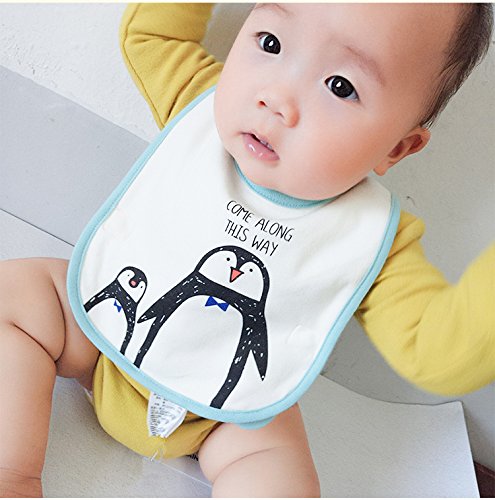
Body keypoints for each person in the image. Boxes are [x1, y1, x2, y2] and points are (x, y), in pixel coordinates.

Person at [0, 3, 493, 498]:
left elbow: (436, 350)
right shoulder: (198, 102)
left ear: (397, 148)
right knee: (18, 297)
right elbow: (150, 34)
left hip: (230, 415)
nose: (277, 99)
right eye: (271, 44)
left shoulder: (370, 235)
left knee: (277, 467)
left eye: (340, 86)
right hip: (103, 339)